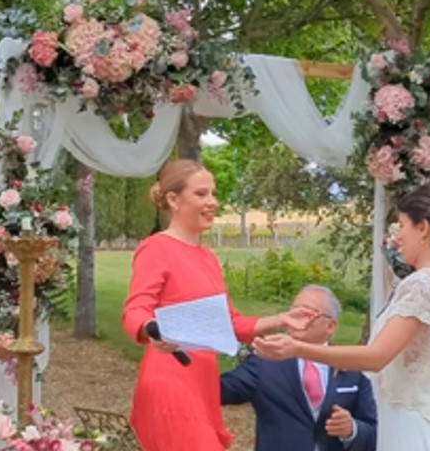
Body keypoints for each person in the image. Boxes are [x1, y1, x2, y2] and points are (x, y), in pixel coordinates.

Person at [254, 180, 430, 451]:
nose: (399, 237)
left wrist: (298, 348)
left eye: (403, 226)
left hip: (413, 422)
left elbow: (376, 358)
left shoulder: (423, 285)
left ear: (423, 229)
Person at [122, 159, 315, 451]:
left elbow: (229, 323)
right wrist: (152, 329)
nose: (212, 202)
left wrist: (282, 319)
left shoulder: (208, 259)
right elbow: (135, 310)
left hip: (202, 383)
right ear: (173, 200)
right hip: (170, 380)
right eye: (201, 194)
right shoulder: (156, 248)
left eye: (213, 193)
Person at [220, 285, 377, 451]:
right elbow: (217, 391)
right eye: (294, 311)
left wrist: (352, 429)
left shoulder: (351, 368)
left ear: (330, 326)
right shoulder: (266, 362)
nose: (297, 319)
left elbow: (373, 433)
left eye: (308, 313)